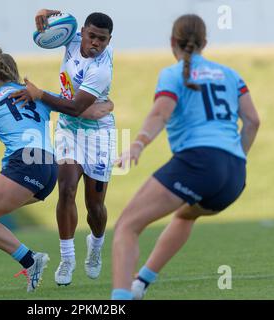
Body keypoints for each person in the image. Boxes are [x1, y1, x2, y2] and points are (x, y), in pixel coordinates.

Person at [0, 46, 113, 296]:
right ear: (14, 74)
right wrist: (107, 105)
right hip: (49, 167)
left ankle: (30, 260)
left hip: (25, 162)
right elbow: (85, 110)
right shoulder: (36, 94)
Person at [110, 14, 260, 300]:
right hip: (234, 175)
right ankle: (140, 284)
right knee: (185, 215)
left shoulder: (172, 73)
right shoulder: (231, 74)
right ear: (205, 43)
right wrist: (236, 158)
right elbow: (253, 122)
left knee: (127, 227)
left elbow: (160, 114)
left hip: (198, 162)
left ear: (172, 42)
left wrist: (138, 144)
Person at [11, 9, 115, 286]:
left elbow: (75, 106)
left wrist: (40, 94)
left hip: (98, 135)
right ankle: (67, 258)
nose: (96, 43)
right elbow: (52, 25)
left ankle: (95, 245)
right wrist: (42, 15)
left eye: (102, 40)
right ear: (82, 32)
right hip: (69, 130)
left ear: (108, 40)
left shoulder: (101, 69)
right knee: (66, 188)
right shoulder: (72, 38)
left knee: (95, 206)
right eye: (92, 36)